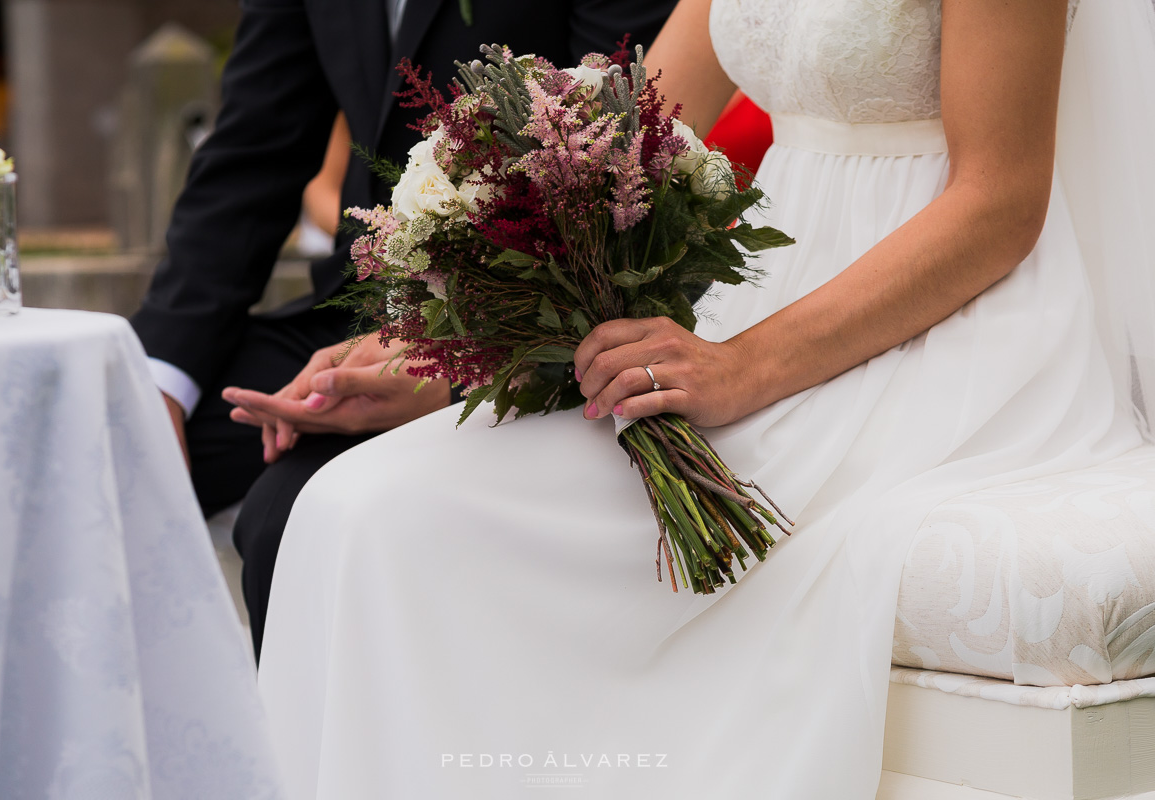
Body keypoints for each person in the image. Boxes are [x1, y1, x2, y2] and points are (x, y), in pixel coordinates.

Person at [257, 0, 1155, 797]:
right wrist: (448, 341)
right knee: (356, 506)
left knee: (393, 522)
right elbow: (621, 128)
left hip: (942, 337)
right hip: (757, 290)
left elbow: (999, 202)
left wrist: (745, 368)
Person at [128, 0, 677, 656]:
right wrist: (158, 381)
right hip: (351, 306)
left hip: (534, 318)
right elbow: (255, 149)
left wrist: (458, 345)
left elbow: (615, 145)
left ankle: (316, 758)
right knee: (104, 462)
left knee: (291, 518)